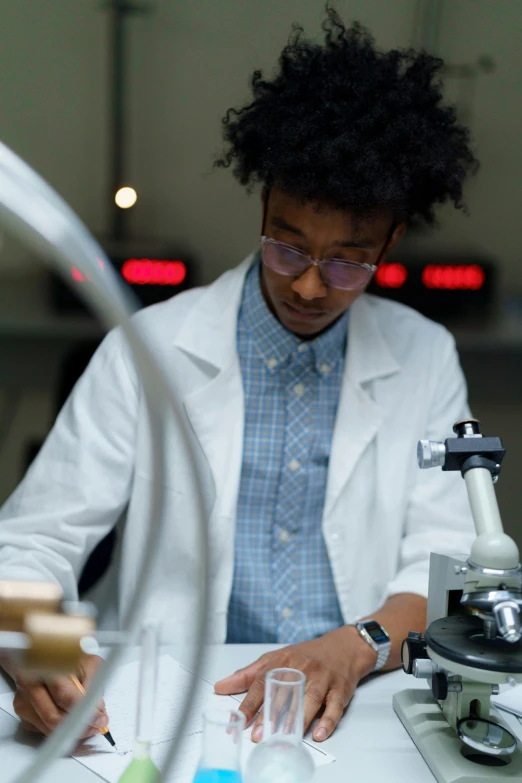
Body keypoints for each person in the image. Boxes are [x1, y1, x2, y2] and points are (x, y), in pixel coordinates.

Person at [0, 9, 477, 745]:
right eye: (289, 249)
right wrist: (42, 652)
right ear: (263, 206)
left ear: (391, 239)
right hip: (173, 705)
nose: (312, 287)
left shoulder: (425, 354)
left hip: (355, 708)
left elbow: (443, 570)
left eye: (348, 261)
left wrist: (353, 645)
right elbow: (32, 542)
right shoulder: (147, 348)